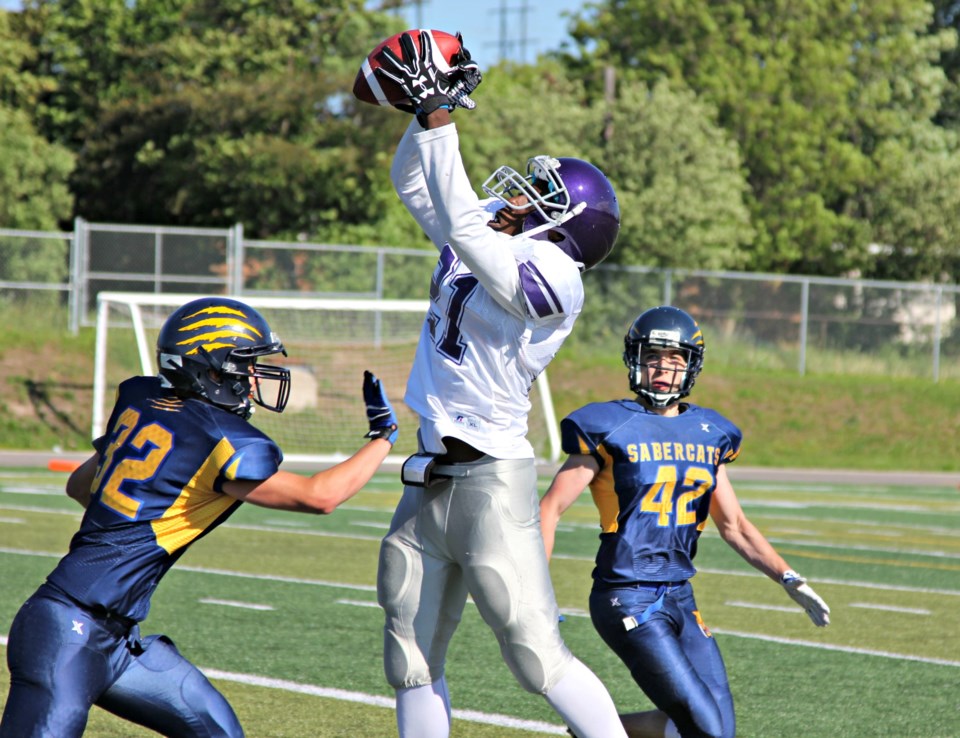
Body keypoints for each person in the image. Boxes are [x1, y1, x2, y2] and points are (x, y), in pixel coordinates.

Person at [370, 29, 627, 738]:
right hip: (429, 477)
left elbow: (463, 224)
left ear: (566, 224)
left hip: (490, 479)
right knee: (410, 654)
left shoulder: (558, 278)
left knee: (535, 657)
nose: (519, 194)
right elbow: (418, 184)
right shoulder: (490, 230)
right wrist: (421, 108)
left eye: (541, 193)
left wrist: (441, 117)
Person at [0, 296, 399, 738]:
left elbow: (79, 486)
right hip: (68, 632)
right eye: (243, 365)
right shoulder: (222, 440)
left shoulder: (142, 398)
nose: (251, 379)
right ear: (210, 369)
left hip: (114, 640)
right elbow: (320, 496)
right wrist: (383, 436)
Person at [540, 305, 832, 738]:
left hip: (680, 595)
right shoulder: (607, 424)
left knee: (716, 728)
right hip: (628, 596)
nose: (663, 368)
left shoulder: (709, 432)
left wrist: (788, 577)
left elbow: (733, 525)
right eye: (653, 357)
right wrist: (536, 596)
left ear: (691, 367)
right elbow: (550, 509)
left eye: (675, 360)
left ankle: (594, 731)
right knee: (707, 730)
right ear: (634, 360)